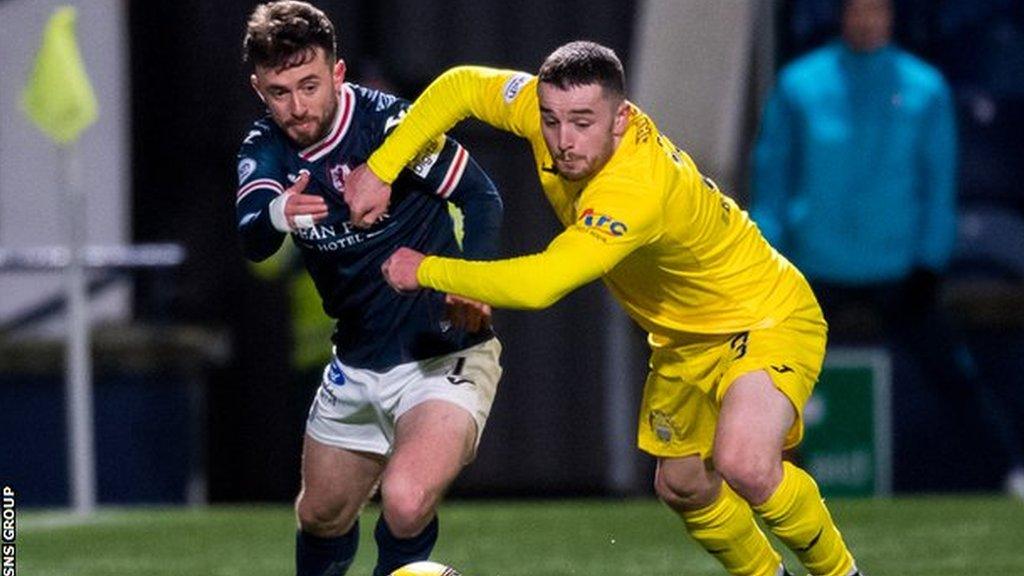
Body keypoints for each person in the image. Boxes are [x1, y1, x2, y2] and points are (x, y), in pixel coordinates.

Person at [345, 41, 864, 576]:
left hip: (764, 313)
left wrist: (424, 269)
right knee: (683, 486)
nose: (563, 141)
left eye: (583, 123)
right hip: (684, 338)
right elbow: (461, 86)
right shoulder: (545, 112)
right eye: (552, 121)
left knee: (746, 464)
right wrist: (382, 168)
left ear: (621, 119)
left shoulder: (634, 189)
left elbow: (542, 283)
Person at [235, 2, 505, 575]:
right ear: (259, 89)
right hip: (356, 361)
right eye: (279, 91)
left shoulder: (392, 126)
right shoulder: (265, 146)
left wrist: (474, 285)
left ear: (337, 73)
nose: (297, 106)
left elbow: (481, 197)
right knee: (321, 514)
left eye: (310, 84)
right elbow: (253, 236)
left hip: (442, 352)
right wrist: (280, 212)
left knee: (405, 501)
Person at [750, 0, 1024, 498]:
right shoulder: (798, 86)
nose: (867, 21)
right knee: (761, 373)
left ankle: (1009, 470)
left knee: (953, 374)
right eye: (858, 11)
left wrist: (929, 262)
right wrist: (770, 258)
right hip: (813, 266)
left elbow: (938, 184)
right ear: (843, 16)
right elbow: (772, 178)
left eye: (877, 11)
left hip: (898, 267)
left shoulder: (925, 89)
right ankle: (744, 473)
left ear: (892, 17)